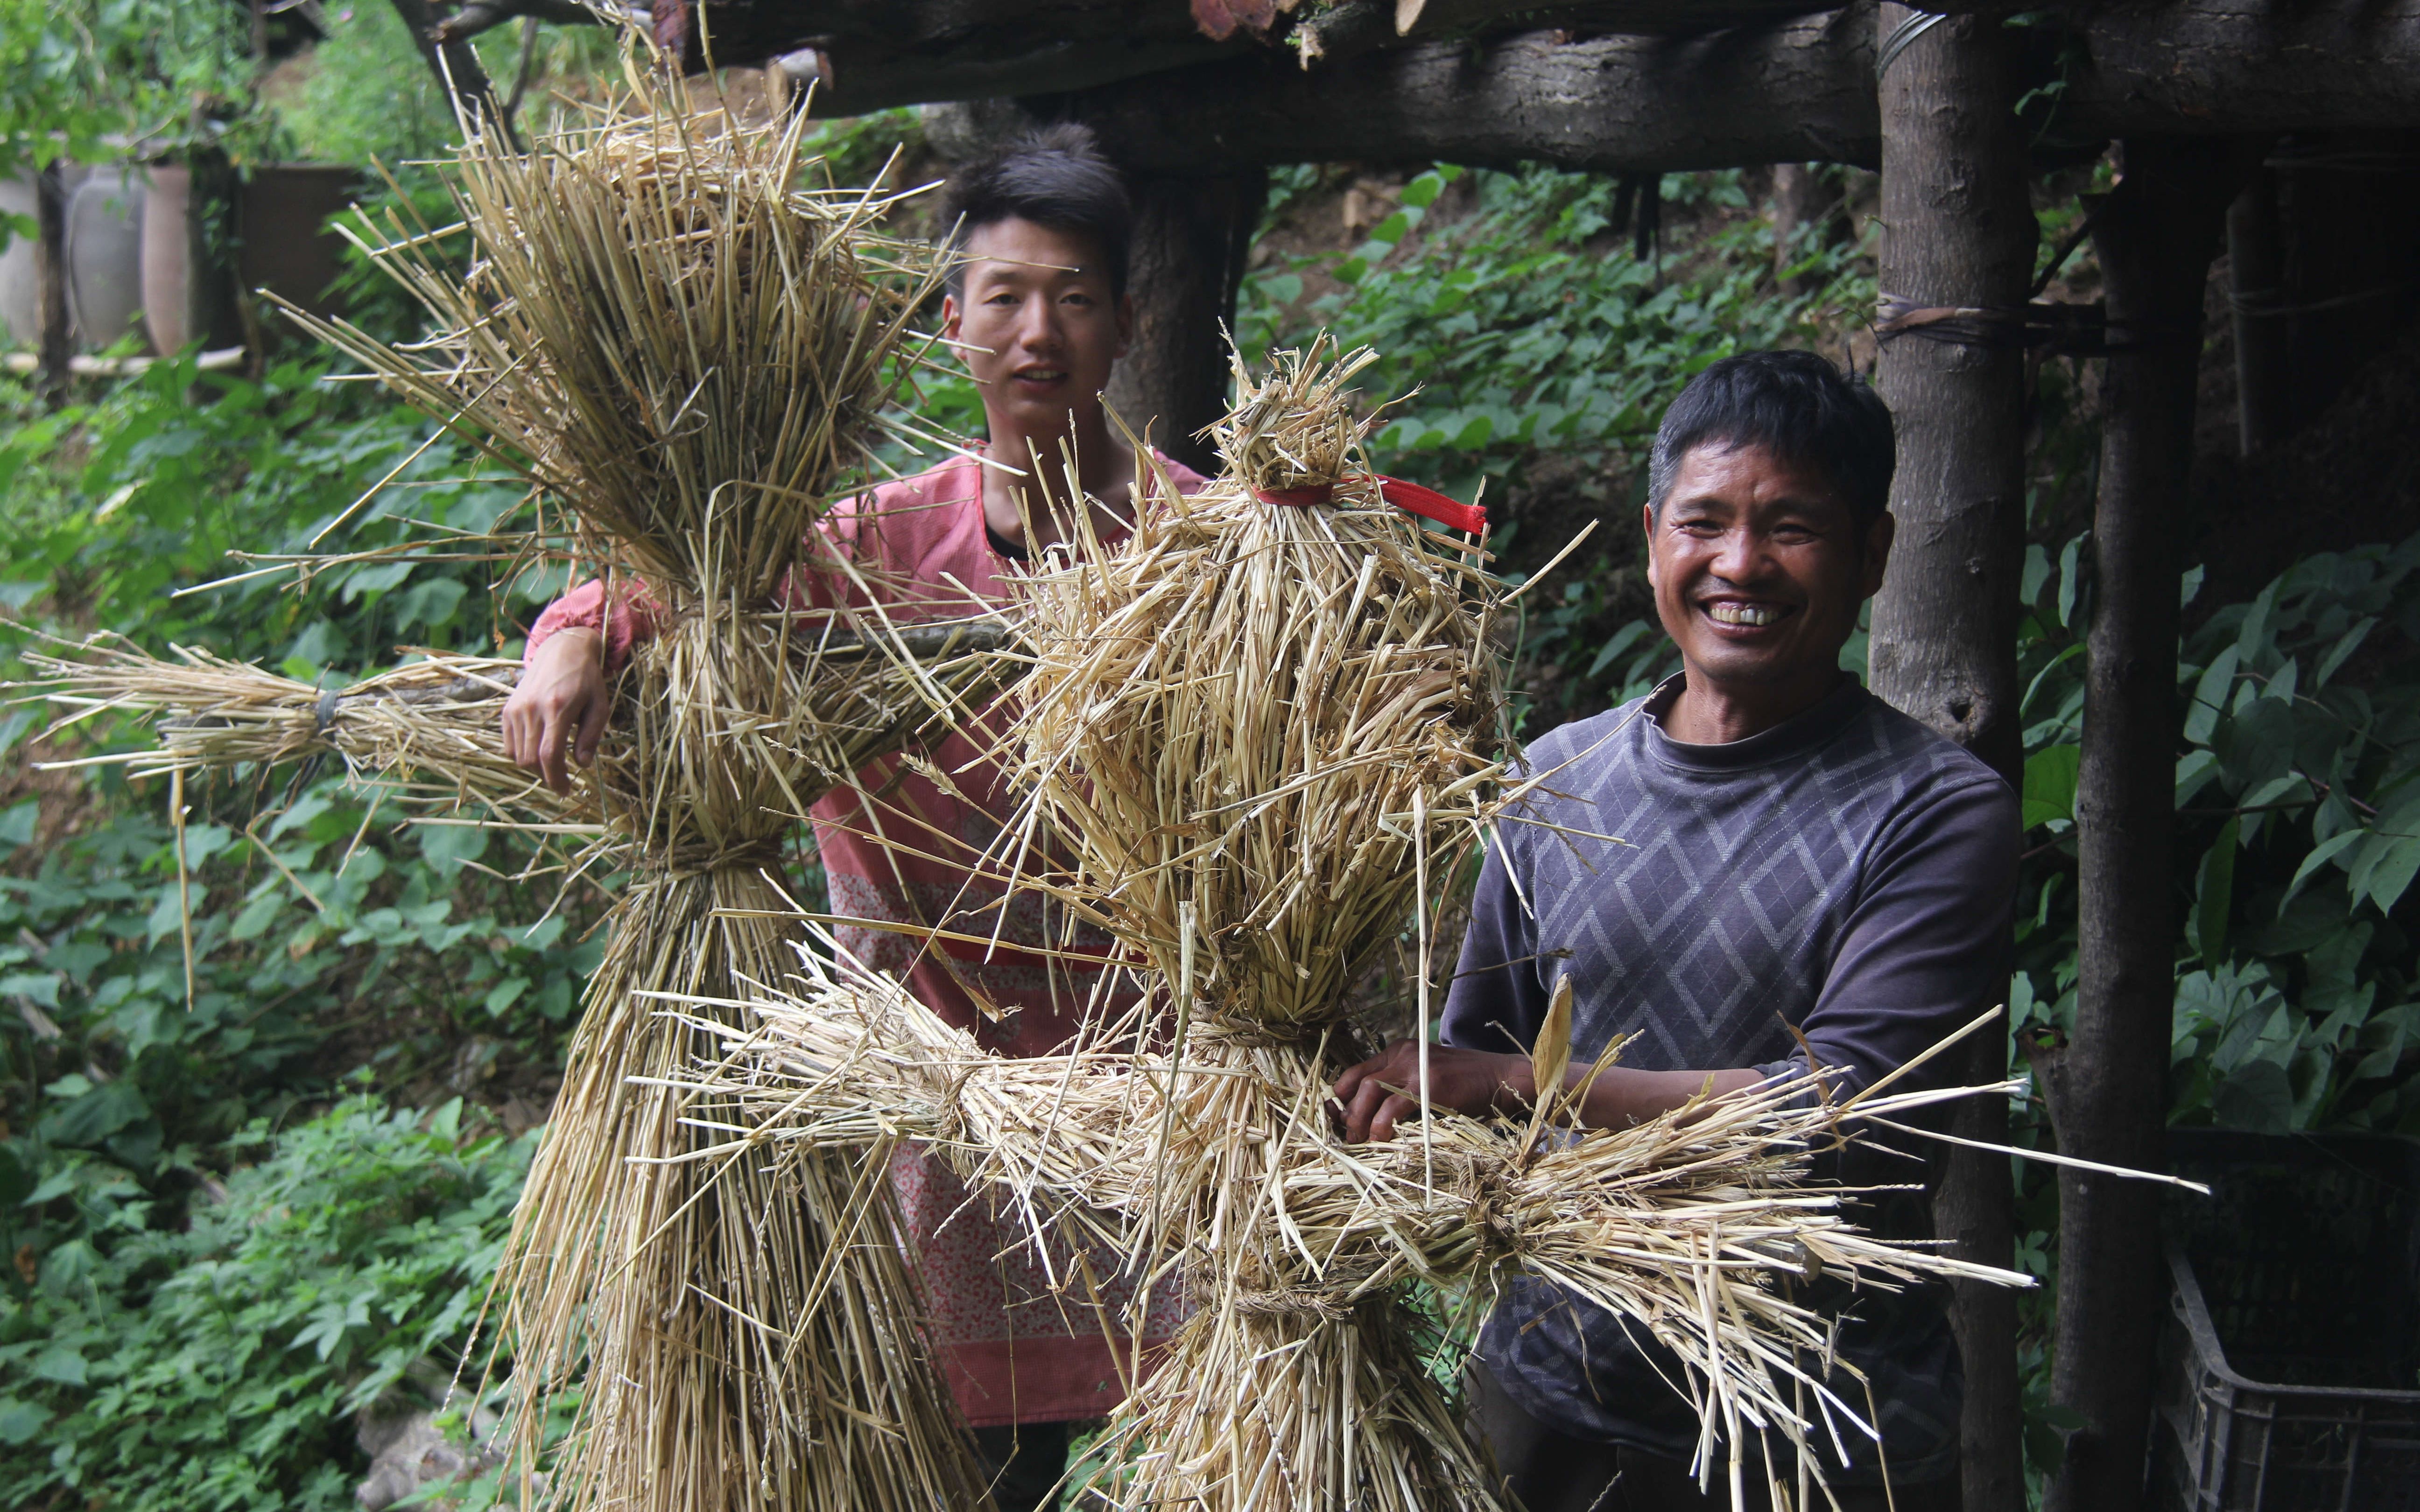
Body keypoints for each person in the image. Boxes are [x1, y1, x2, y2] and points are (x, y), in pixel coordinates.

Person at [499, 123, 1208, 1512]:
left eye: (1073, 296)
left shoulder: (1202, 546)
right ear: (952, 323)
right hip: (930, 1090)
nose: (1037, 331)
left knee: (1202, 1436)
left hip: (1156, 1091)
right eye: (1004, 296)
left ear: (1127, 323)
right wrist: (568, 637)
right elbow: (674, 598)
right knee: (975, 1470)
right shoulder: (867, 546)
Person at [1330, 350, 2018, 1511]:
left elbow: (1837, 1115)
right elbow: (1466, 1075)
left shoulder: (1936, 809)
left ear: (1875, 554)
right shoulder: (1555, 779)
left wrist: (1510, 1084)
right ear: (1653, 537)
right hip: (1553, 1409)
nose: (1740, 563)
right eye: (1706, 522)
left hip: (1818, 1431)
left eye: (1792, 528)